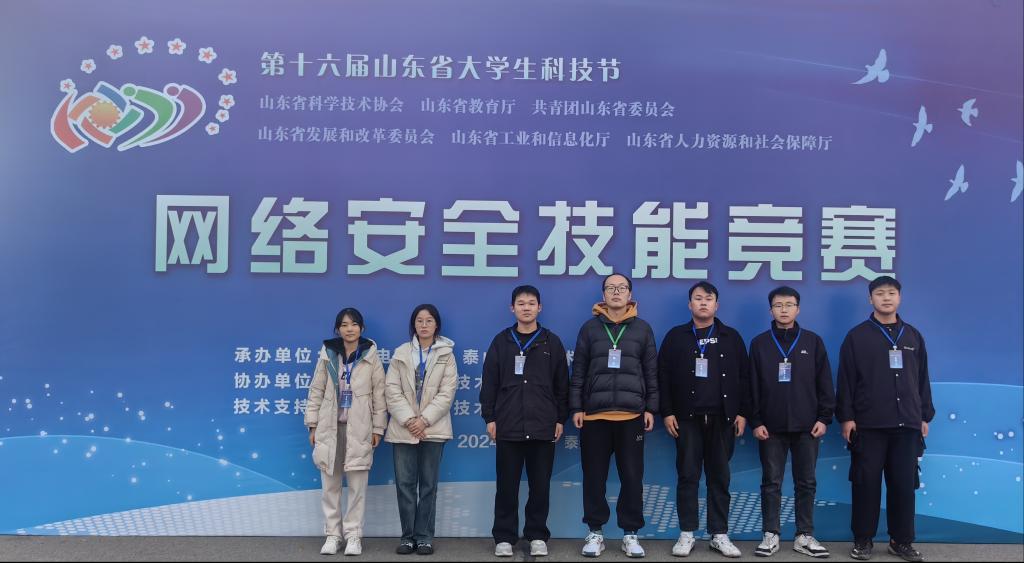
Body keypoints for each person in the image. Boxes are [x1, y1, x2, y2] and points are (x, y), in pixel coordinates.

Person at [837, 276, 933, 562]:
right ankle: (863, 540)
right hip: (868, 425)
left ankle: (901, 541)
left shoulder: (913, 336)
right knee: (865, 484)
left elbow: (922, 379)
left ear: (899, 297)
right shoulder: (857, 337)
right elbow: (846, 380)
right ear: (871, 299)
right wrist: (846, 417)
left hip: (907, 425)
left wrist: (924, 415)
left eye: (891, 293)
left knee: (903, 485)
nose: (886, 298)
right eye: (880, 293)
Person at [657, 281, 748, 558]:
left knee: (719, 477)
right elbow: (663, 376)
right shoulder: (676, 336)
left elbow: (744, 377)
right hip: (687, 419)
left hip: (722, 419)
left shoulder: (731, 337)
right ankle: (687, 533)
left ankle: (719, 534)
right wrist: (667, 412)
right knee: (688, 476)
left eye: (709, 298)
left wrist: (742, 412)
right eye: (698, 298)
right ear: (690, 305)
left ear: (716, 305)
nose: (703, 302)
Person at [569, 273, 658, 558]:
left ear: (630, 294)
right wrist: (576, 407)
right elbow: (579, 371)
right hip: (595, 416)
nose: (616, 292)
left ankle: (630, 533)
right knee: (594, 477)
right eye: (611, 288)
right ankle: (595, 532)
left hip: (631, 416)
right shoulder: (589, 328)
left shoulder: (642, 329)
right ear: (603, 295)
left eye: (621, 288)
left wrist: (651, 408)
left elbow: (651, 372)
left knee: (632, 477)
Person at [480, 285, 569, 558]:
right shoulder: (501, 341)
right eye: (521, 303)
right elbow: (489, 382)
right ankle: (504, 537)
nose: (526, 307)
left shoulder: (552, 342)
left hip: (543, 425)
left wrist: (560, 418)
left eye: (531, 303)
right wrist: (490, 417)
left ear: (539, 308)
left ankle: (537, 535)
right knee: (506, 486)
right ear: (512, 308)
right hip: (508, 425)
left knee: (540, 486)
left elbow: (562, 386)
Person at [748, 286, 834, 558]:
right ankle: (770, 534)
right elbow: (752, 386)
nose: (783, 310)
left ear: (798, 309)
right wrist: (756, 421)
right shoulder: (760, 343)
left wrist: (824, 418)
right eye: (778, 305)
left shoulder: (813, 341)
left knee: (806, 482)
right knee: (771, 482)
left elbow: (825, 383)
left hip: (808, 427)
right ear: (770, 310)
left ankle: (804, 535)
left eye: (789, 305)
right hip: (770, 427)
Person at [305, 308, 387, 556]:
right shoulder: (328, 354)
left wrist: (378, 428)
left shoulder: (371, 356)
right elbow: (316, 391)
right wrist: (313, 425)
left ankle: (353, 536)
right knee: (330, 486)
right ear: (337, 329)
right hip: (330, 429)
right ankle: (333, 535)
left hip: (360, 430)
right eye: (344, 325)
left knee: (357, 487)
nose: (349, 329)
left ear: (361, 328)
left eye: (354, 324)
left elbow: (379, 395)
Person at [385, 304, 458, 556]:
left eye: (429, 320)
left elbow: (447, 393)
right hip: (403, 428)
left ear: (436, 325)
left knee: (428, 485)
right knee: (405, 485)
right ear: (413, 325)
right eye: (419, 320)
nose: (424, 325)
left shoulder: (447, 354)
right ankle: (407, 537)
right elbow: (391, 390)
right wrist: (409, 420)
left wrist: (424, 420)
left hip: (432, 429)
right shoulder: (400, 353)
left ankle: (424, 537)